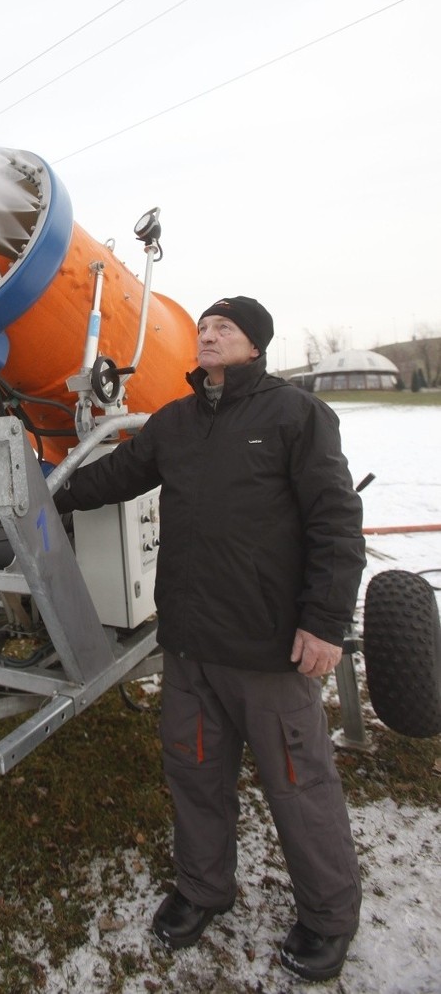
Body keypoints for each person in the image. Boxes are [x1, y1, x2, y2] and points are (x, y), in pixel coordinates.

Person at [54, 296, 365, 983]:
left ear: (255, 344)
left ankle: (328, 915)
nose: (208, 335)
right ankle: (203, 889)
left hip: (268, 649)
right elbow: (114, 476)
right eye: (202, 328)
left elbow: (336, 521)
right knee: (194, 776)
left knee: (298, 784)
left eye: (224, 327)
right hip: (191, 647)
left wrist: (325, 622)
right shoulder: (176, 421)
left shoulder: (294, 415)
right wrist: (48, 494)